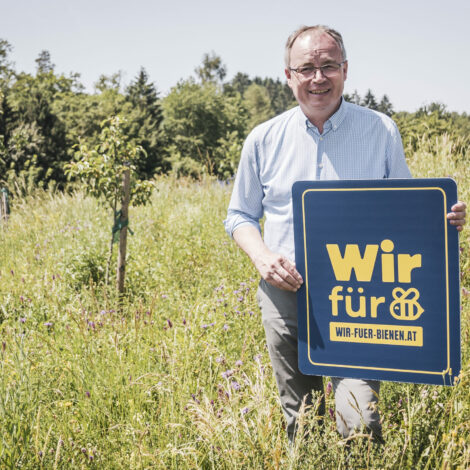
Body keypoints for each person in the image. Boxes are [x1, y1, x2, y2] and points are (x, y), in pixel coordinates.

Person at [224, 25, 467, 443]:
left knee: (358, 416)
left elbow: (404, 210)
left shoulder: (381, 130)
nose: (318, 77)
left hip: (362, 298)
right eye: (307, 68)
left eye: (328, 66)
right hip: (286, 293)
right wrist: (262, 257)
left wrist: (440, 218)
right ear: (289, 75)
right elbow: (239, 215)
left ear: (345, 70)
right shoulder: (262, 140)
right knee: (300, 418)